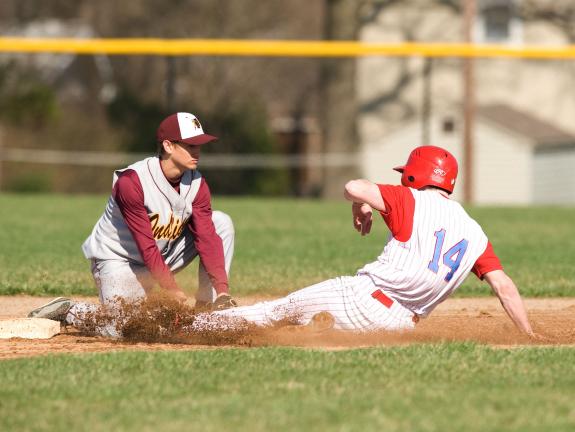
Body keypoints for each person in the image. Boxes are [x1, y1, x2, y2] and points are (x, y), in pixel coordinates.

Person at [204, 145, 536, 337]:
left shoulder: (408, 198)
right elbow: (504, 287)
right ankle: (315, 330)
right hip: (401, 326)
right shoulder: (476, 234)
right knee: (310, 328)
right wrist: (527, 334)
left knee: (273, 311)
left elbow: (353, 187)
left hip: (360, 299)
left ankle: (189, 326)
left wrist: (362, 203)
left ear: (412, 176)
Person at [29, 112, 237, 330]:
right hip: (119, 260)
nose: (197, 151)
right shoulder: (132, 182)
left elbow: (206, 237)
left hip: (162, 257)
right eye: (190, 145)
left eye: (199, 145)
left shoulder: (197, 183)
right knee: (121, 327)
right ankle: (69, 310)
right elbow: (146, 245)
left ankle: (208, 307)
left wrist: (222, 290)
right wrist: (170, 289)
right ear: (168, 146)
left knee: (221, 222)